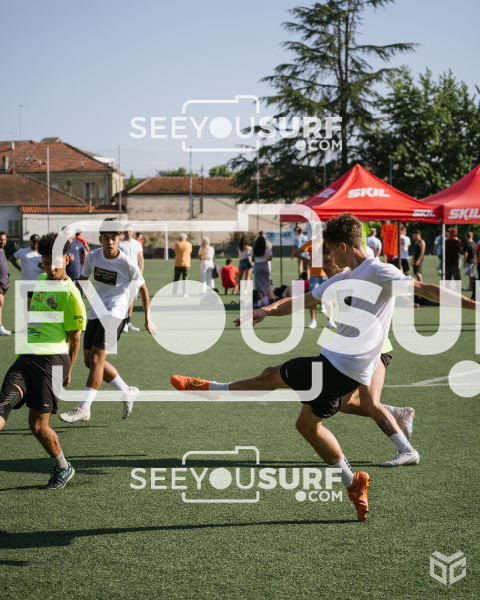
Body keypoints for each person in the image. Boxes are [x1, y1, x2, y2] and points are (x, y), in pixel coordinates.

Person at [171, 212, 478, 522]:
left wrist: (474, 305)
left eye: (330, 250)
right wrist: (267, 310)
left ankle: (212, 389)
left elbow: (427, 289)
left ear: (343, 246)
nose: (327, 257)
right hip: (338, 367)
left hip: (338, 367)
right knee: (307, 426)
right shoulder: (343, 278)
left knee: (270, 376)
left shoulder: (378, 270)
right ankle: (353, 483)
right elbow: (301, 301)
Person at [0, 232, 86, 488]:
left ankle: (63, 467)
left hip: (53, 361)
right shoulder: (39, 280)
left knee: (38, 426)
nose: (50, 269)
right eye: (46, 263)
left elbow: (75, 339)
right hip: (26, 357)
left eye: (55, 263)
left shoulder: (71, 294)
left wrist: (67, 372)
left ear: (67, 260)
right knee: (2, 406)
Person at [59, 218, 154, 424]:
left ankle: (84, 408)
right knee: (89, 361)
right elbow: (83, 281)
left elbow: (143, 289)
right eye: (106, 238)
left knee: (96, 360)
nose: (110, 242)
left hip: (116, 313)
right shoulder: (93, 256)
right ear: (100, 238)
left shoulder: (127, 263)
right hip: (96, 312)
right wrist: (78, 300)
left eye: (114, 238)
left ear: (120, 239)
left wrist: (148, 318)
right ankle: (126, 390)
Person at [292, 237, 334, 330]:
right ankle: (313, 320)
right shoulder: (310, 243)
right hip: (314, 275)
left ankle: (330, 320)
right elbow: (295, 253)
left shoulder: (328, 242)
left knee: (329, 297)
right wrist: (308, 260)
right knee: (313, 298)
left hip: (326, 274)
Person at [119, 224, 144, 332]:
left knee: (131, 299)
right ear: (123, 232)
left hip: (134, 276)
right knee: (122, 299)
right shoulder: (119, 243)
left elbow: (141, 259)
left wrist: (139, 275)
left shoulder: (137, 243)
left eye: (130, 231)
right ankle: (122, 323)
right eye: (126, 231)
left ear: (133, 232)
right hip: (122, 276)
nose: (128, 232)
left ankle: (128, 323)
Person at [9, 233, 43, 310]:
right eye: (34, 241)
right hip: (27, 283)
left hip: (40, 283)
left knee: (39, 305)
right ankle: (27, 318)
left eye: (37, 241)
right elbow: (12, 259)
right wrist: (18, 268)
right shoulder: (22, 251)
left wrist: (43, 267)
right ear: (30, 241)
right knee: (28, 304)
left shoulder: (42, 253)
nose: (36, 243)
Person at [173, 233, 192, 297]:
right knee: (185, 279)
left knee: (176, 279)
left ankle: (174, 293)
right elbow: (190, 252)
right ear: (185, 238)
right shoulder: (189, 244)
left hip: (178, 263)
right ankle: (184, 293)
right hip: (186, 264)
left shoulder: (177, 244)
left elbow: (175, 251)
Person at [0, 231, 11, 335]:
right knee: (0, 303)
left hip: (4, 282)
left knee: (1, 304)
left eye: (4, 239)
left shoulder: (2, 250)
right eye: (0, 239)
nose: (2, 241)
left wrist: (6, 274)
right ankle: (0, 327)